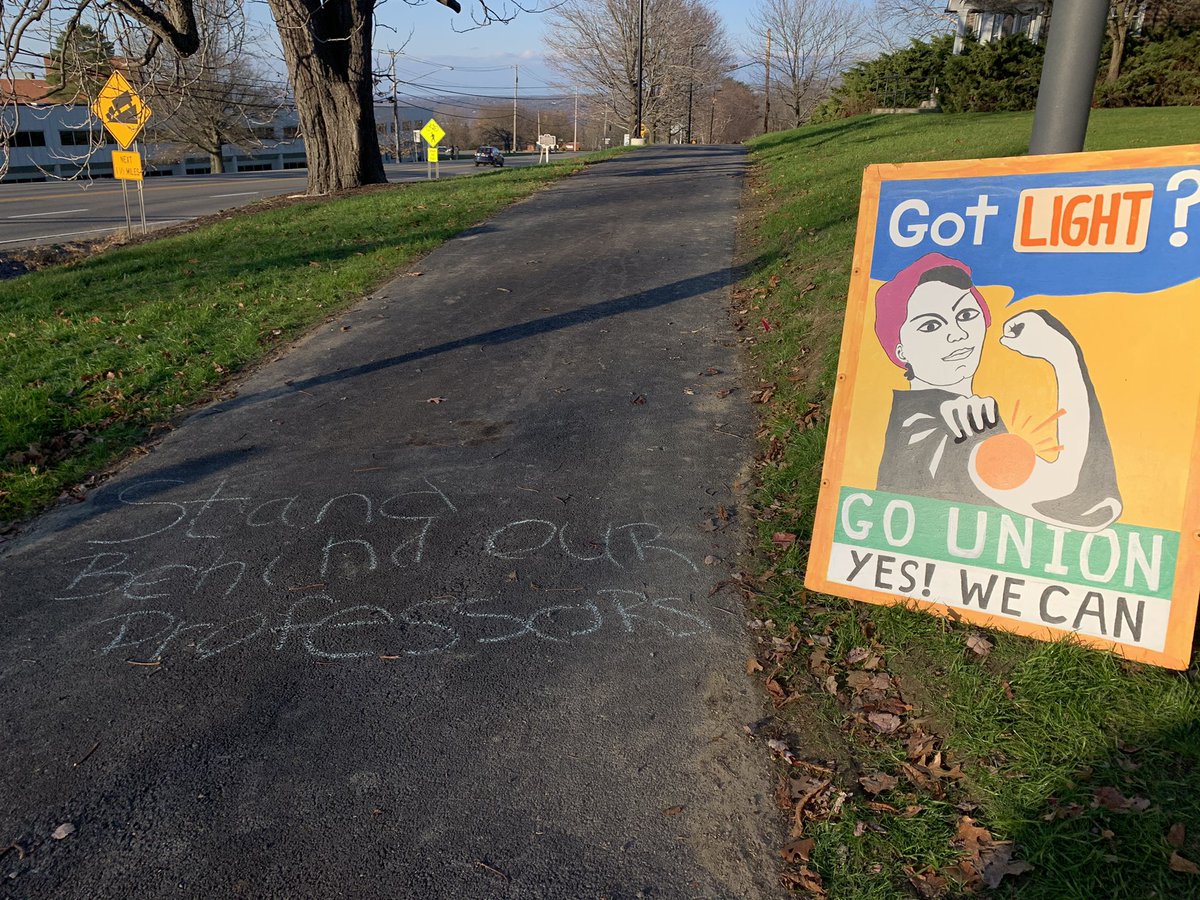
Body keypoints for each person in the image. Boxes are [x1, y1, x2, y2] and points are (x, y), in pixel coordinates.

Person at [873, 252, 1121, 531]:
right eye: (931, 325)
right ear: (900, 350)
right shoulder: (957, 426)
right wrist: (1063, 355)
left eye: (966, 315)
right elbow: (1078, 498)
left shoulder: (915, 419)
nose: (957, 334)